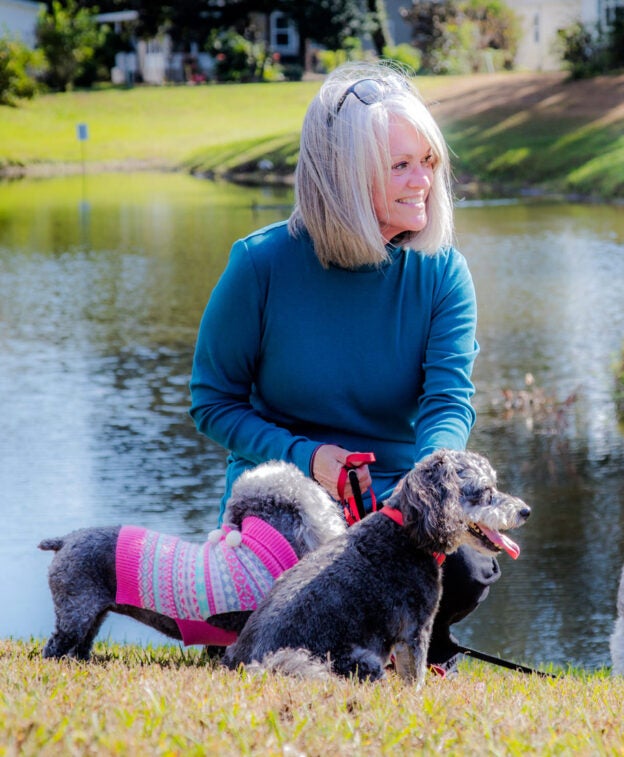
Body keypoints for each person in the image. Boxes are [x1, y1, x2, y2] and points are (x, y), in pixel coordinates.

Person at [188, 61, 496, 673]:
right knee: (290, 589)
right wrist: (307, 457)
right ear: (343, 176)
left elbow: (448, 400)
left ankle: (398, 639)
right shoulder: (260, 265)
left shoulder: (443, 275)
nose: (423, 183)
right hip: (284, 498)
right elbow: (212, 402)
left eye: (428, 162)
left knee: (465, 569)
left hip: (393, 498)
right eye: (400, 166)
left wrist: (433, 483)